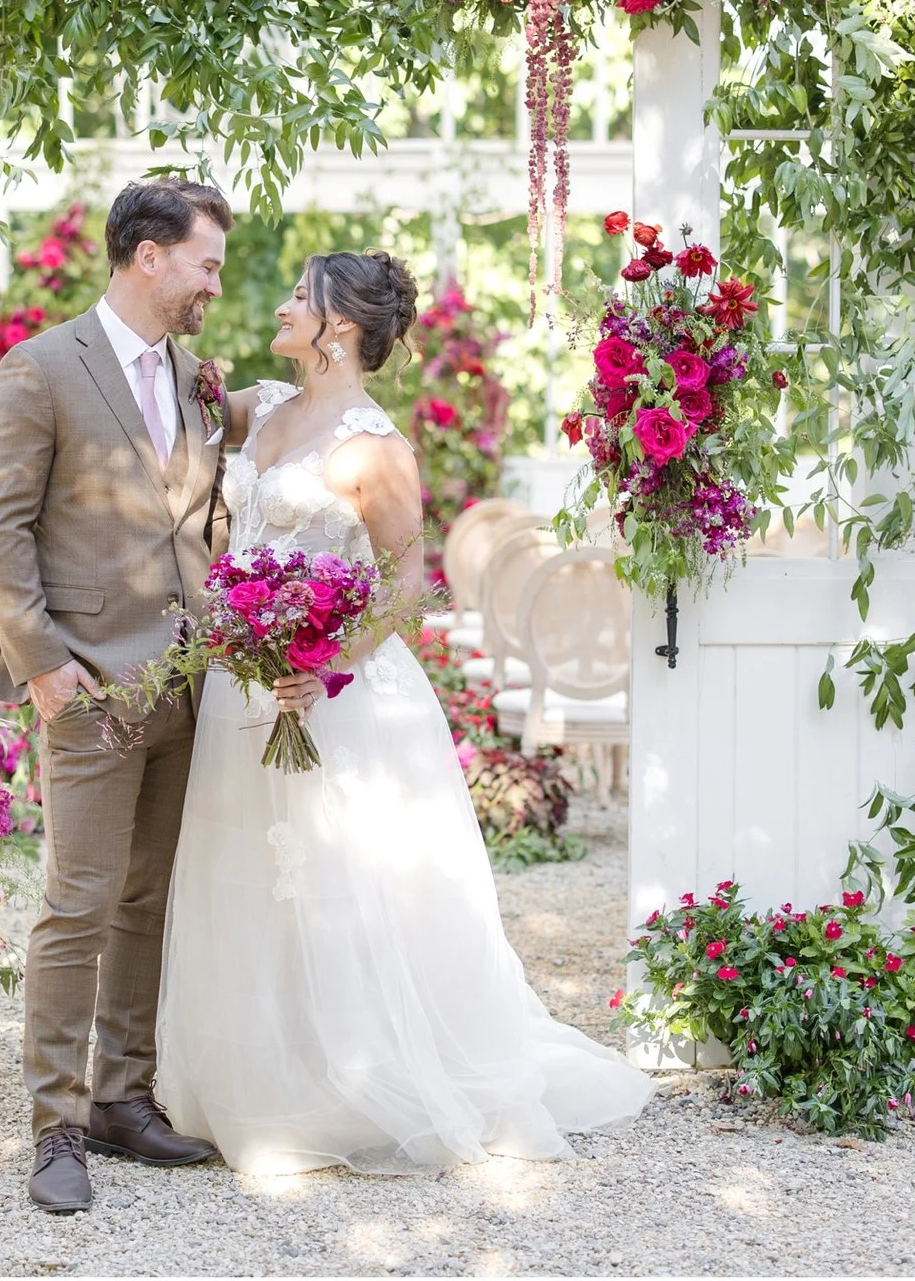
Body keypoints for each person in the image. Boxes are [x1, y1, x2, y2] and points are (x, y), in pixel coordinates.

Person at [156, 248, 652, 1176]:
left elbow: (406, 584)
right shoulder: (261, 407)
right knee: (246, 878)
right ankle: (259, 1074)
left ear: (338, 324)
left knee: (343, 885)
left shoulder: (377, 450)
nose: (281, 303)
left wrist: (321, 664)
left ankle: (354, 1082)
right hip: (238, 685)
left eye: (298, 296)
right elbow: (169, 403)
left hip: (332, 697)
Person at [0, 178, 234, 1214]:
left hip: (186, 686)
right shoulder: (39, 370)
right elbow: (0, 531)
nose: (215, 280)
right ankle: (56, 1129)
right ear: (148, 257)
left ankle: (126, 1100)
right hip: (85, 686)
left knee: (144, 903)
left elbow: (197, 520)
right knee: (75, 908)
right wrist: (40, 663)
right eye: (205, 261)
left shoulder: (188, 374)